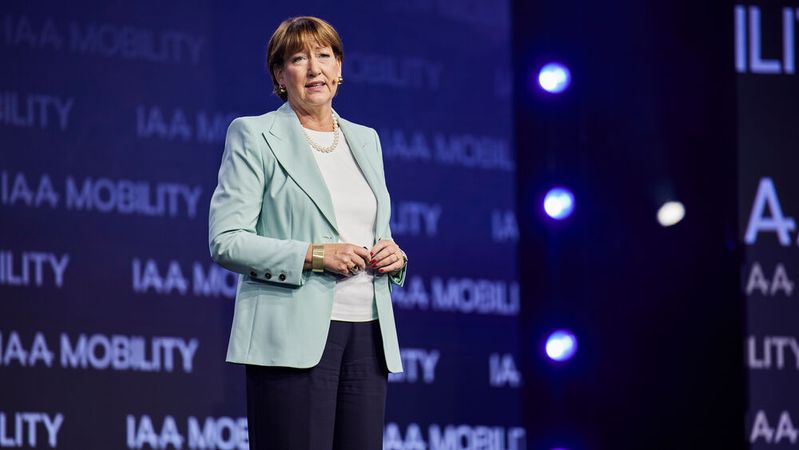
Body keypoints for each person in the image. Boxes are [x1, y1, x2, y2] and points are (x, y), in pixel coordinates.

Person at [208, 16, 408, 450]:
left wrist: (394, 255)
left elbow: (373, 227)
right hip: (290, 334)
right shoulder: (254, 135)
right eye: (299, 59)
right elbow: (227, 239)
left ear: (340, 68)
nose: (315, 68)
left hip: (368, 333)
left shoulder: (366, 140)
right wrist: (316, 255)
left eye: (324, 55)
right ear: (280, 76)